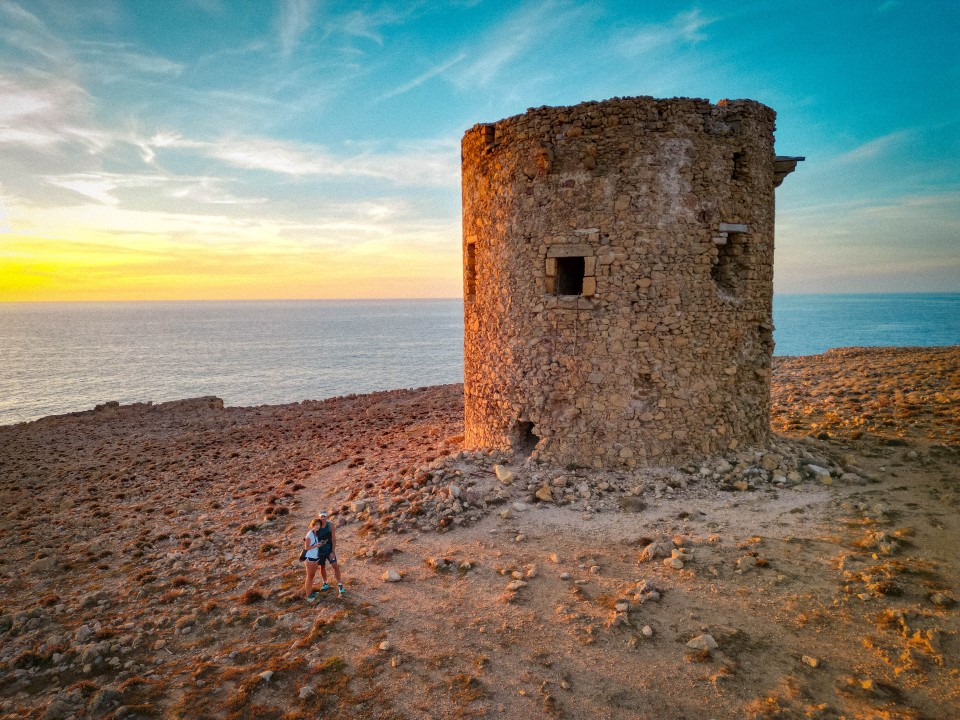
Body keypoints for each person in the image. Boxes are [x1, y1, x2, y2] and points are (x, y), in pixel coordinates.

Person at [313, 511, 345, 597]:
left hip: (329, 549)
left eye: (324, 516)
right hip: (320, 551)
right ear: (319, 517)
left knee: (335, 565)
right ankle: (325, 583)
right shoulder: (316, 525)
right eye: (321, 516)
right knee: (322, 566)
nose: (323, 518)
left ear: (327, 517)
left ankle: (340, 584)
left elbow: (334, 539)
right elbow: (312, 536)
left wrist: (333, 551)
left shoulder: (330, 525)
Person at [303, 517, 323, 601]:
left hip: (315, 557)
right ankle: (308, 595)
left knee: (312, 575)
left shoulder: (316, 533)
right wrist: (316, 546)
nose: (318, 526)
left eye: (319, 525)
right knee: (309, 576)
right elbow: (306, 547)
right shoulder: (310, 534)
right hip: (310, 558)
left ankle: (311, 592)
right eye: (316, 525)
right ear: (313, 525)